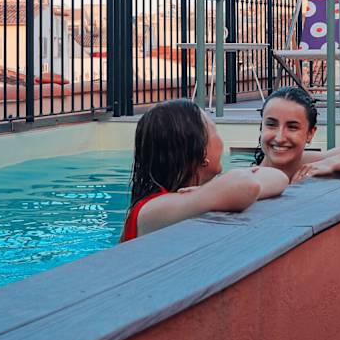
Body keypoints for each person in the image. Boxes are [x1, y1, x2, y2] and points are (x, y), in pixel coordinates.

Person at [121, 99, 288, 242]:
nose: (221, 140)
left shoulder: (195, 197)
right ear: (201, 151)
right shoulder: (153, 209)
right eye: (215, 130)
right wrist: (214, 191)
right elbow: (246, 186)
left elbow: (279, 177)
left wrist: (210, 192)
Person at [255, 86, 340, 182]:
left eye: (292, 127)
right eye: (271, 125)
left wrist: (328, 164)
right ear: (262, 127)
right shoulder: (251, 178)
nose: (279, 138)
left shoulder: (308, 163)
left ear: (310, 134)